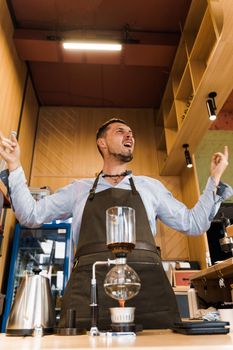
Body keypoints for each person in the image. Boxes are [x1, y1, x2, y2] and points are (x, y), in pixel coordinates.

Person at [0, 118, 232, 331]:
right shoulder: (78, 190)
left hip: (149, 292)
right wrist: (15, 167)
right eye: (121, 131)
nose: (129, 135)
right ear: (102, 143)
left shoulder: (150, 187)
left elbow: (194, 224)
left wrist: (214, 180)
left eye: (131, 132)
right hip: (88, 293)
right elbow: (30, 215)